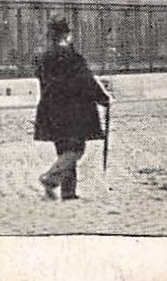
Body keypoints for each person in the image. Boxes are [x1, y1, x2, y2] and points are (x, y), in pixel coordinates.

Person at [33, 18, 110, 200]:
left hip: (51, 110)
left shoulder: (44, 57)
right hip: (73, 111)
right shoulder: (72, 57)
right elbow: (86, 81)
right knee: (76, 149)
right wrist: (103, 98)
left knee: (64, 149)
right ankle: (51, 178)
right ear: (66, 35)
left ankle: (68, 192)